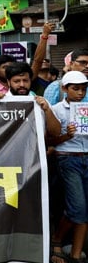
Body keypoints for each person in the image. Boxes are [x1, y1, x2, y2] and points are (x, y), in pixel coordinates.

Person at [48, 71, 88, 263]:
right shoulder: (55, 109)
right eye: (75, 89)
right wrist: (66, 136)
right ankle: (57, 238)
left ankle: (75, 254)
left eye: (83, 89)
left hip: (86, 156)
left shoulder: (87, 108)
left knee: (83, 208)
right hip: (67, 158)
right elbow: (48, 140)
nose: (80, 93)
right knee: (78, 208)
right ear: (64, 89)